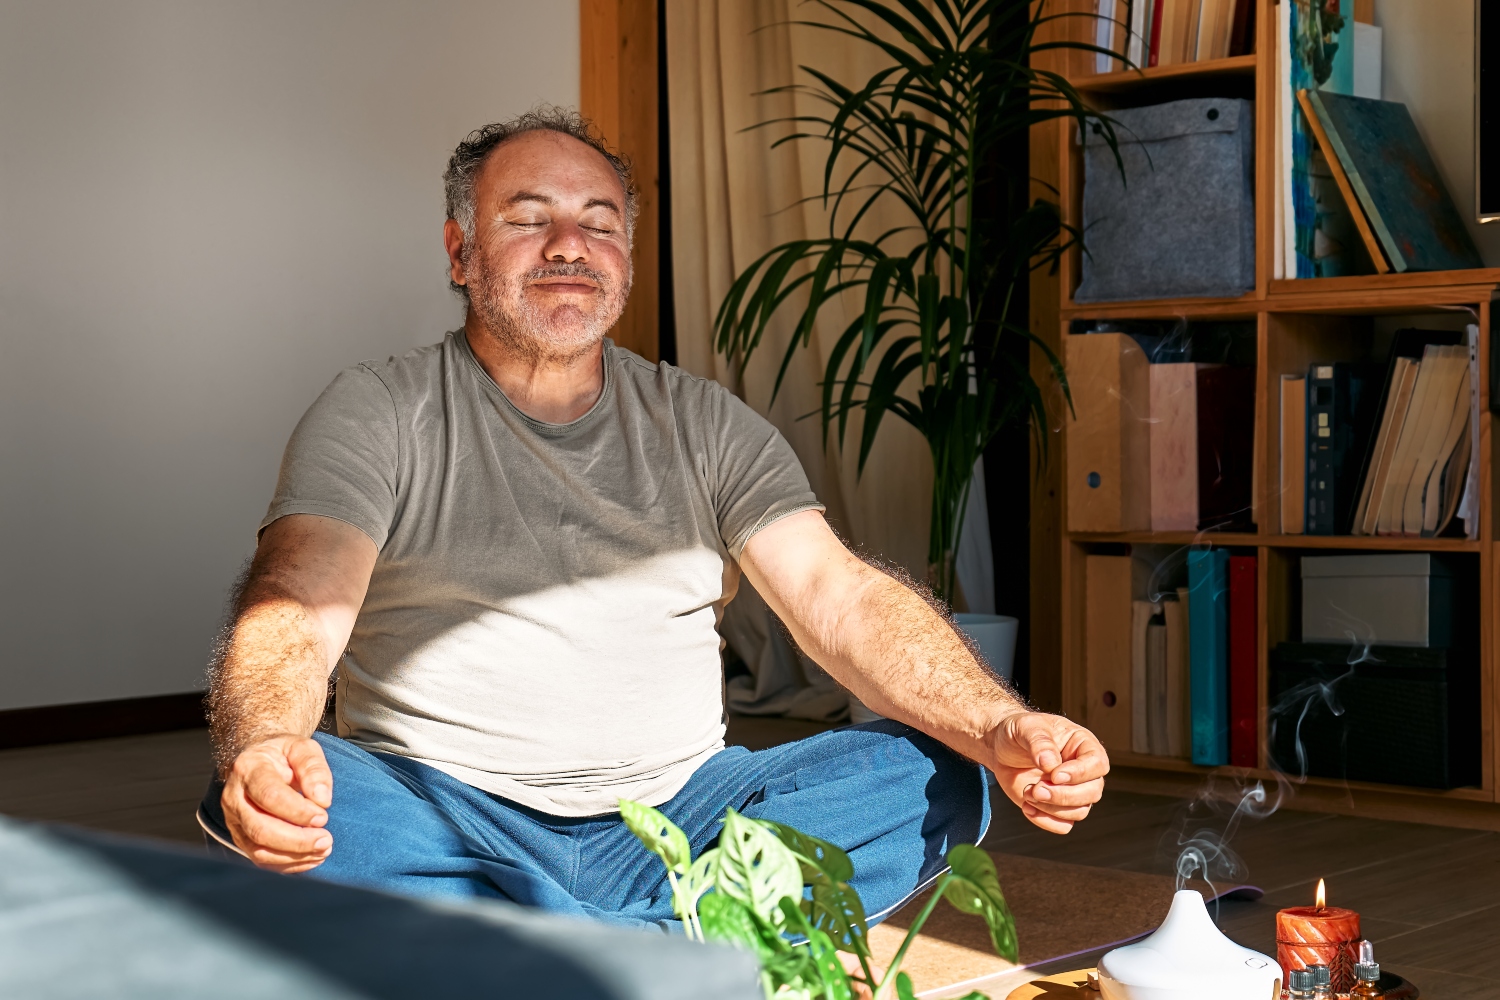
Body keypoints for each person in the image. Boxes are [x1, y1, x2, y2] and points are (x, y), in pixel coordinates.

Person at [202, 107, 1108, 929]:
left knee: (937, 776)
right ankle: (682, 946)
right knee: (291, 800)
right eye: (527, 218)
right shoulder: (378, 411)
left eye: (599, 222)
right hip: (447, 809)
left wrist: (998, 726)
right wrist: (272, 746)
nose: (569, 244)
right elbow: (295, 601)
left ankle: (538, 945)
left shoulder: (706, 423)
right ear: (460, 251)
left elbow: (840, 598)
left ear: (626, 257)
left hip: (679, 811)